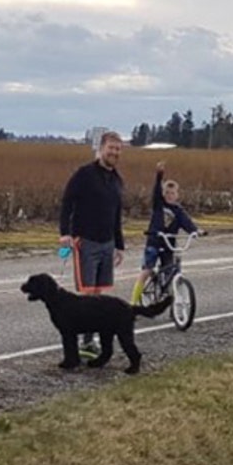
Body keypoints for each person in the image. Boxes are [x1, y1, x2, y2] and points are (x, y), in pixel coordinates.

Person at [59, 130, 127, 356]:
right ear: (101, 149)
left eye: (118, 149)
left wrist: (119, 245)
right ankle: (85, 341)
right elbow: (67, 203)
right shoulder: (84, 174)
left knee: (101, 294)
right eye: (111, 148)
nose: (114, 152)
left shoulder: (117, 180)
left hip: (107, 242)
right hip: (85, 241)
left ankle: (95, 339)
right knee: (87, 294)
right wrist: (65, 233)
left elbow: (116, 214)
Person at [132, 160, 198, 307]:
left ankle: (173, 303)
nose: (169, 195)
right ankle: (133, 304)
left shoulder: (178, 211)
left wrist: (195, 231)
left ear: (177, 195)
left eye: (172, 193)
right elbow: (156, 191)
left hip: (169, 245)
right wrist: (159, 175)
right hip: (154, 243)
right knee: (147, 270)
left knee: (171, 271)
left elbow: (186, 222)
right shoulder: (159, 205)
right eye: (167, 193)